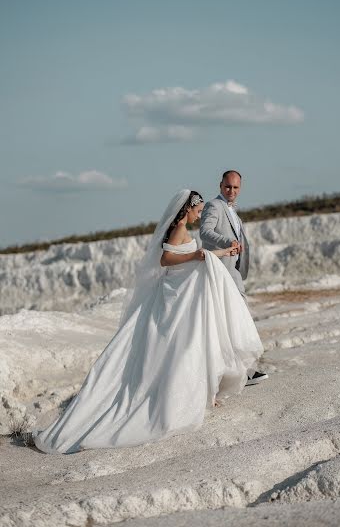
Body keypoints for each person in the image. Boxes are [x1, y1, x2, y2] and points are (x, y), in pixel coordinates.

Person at [33, 189, 264, 454]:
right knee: (180, 347)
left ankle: (202, 394)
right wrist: (195, 256)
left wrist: (222, 252)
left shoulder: (184, 229)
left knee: (192, 346)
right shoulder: (178, 228)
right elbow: (166, 260)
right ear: (186, 209)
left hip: (185, 294)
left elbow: (200, 254)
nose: (199, 216)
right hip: (176, 296)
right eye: (197, 211)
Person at [200, 171, 268, 386]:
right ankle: (244, 372)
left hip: (233, 272)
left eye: (236, 188)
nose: (231, 191)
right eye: (228, 187)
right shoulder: (214, 206)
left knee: (236, 321)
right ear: (220, 185)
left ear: (241, 188)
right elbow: (205, 232)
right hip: (221, 272)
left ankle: (241, 371)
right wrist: (227, 241)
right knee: (236, 321)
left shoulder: (233, 212)